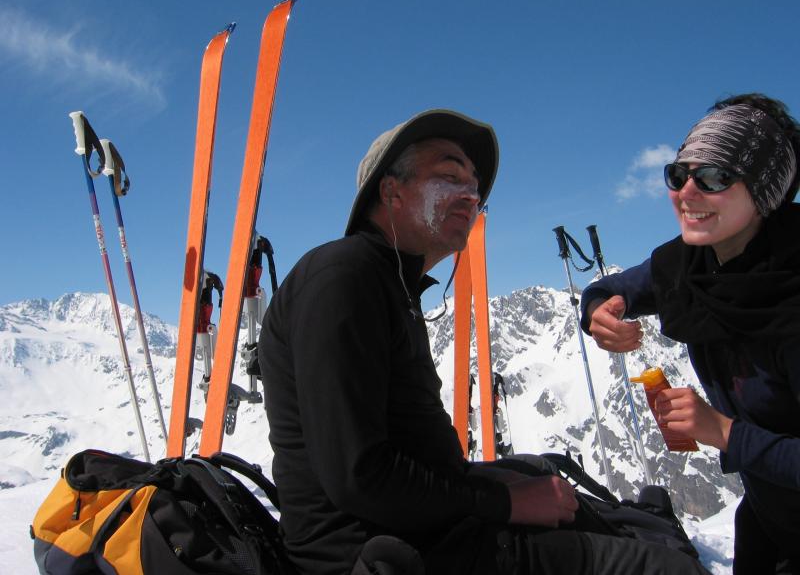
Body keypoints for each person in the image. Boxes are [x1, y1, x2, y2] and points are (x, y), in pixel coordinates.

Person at [259, 108, 709, 574]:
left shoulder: (388, 283)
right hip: (376, 553)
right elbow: (360, 478)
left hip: (419, 528)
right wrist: (503, 503)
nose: (470, 195)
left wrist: (507, 490)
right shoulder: (343, 279)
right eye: (449, 176)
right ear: (390, 190)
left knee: (543, 472)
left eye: (474, 186)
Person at [581, 93, 800, 574]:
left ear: (765, 191)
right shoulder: (690, 263)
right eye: (679, 175)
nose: (688, 193)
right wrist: (601, 311)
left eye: (715, 177)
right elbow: (614, 289)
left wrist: (721, 431)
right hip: (767, 518)